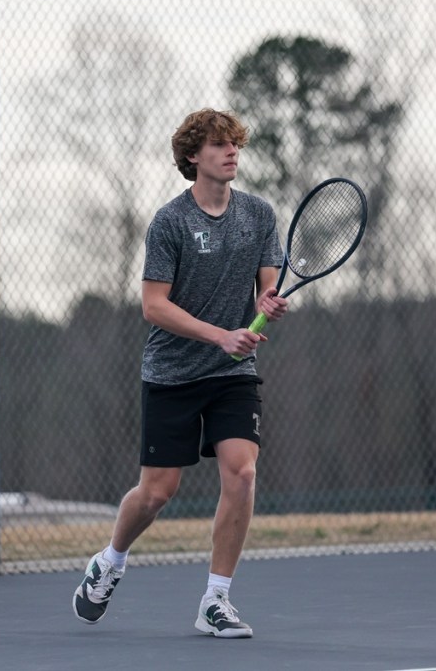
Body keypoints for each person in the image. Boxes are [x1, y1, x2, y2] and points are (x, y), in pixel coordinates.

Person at [72, 108, 288, 638]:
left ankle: (216, 600)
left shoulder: (258, 215)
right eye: (218, 145)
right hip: (172, 373)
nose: (231, 152)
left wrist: (267, 304)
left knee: (242, 472)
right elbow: (154, 306)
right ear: (193, 156)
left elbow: (268, 287)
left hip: (233, 374)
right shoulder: (170, 222)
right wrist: (220, 335)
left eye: (235, 144)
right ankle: (110, 561)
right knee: (156, 493)